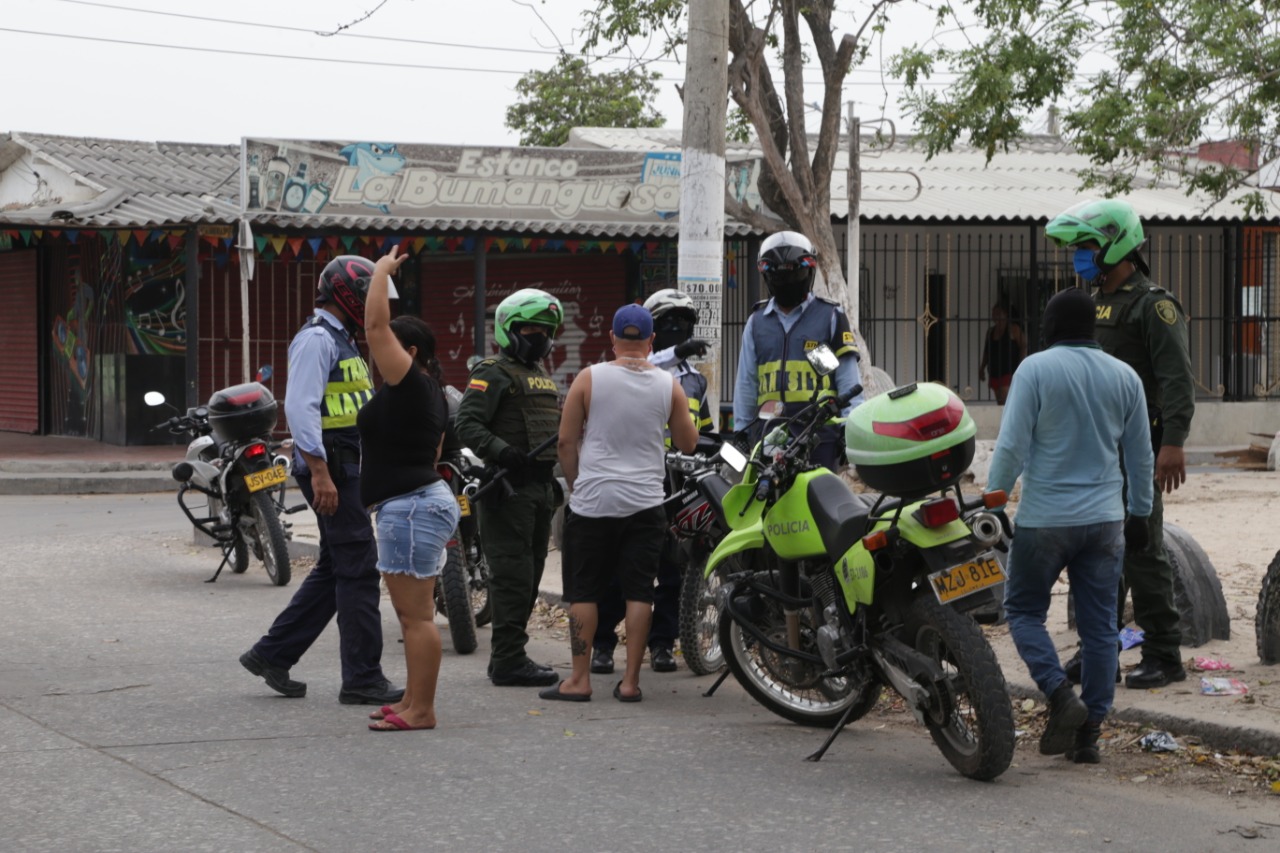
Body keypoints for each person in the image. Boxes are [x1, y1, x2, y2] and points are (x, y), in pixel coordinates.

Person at [989, 287, 1154, 764]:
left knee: (1021, 612)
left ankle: (1061, 695)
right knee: (1101, 628)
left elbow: (1012, 446)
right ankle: (1091, 735)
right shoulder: (1125, 377)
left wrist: (994, 504)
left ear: (1051, 327)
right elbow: (1139, 457)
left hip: (1045, 520)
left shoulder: (1035, 369)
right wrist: (1140, 513)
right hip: (1105, 521)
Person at [239, 254, 403, 707]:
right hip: (330, 467)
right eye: (370, 297)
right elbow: (301, 408)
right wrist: (319, 472)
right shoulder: (316, 340)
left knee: (337, 566)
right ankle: (362, 678)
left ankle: (273, 654)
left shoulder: (343, 340)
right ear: (348, 295)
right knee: (358, 568)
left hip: (345, 466)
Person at [1046, 199, 1195, 690]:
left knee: (1141, 548)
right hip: (1095, 450)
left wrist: (1172, 443)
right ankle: (1099, 651)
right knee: (1095, 554)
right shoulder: (1089, 303)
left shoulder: (1154, 305)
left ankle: (1164, 655)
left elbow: (1176, 380)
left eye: (1087, 247)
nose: (1080, 257)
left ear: (1117, 247)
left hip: (1141, 448)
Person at [540, 305, 699, 703]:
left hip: (593, 502)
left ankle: (578, 679)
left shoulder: (588, 378)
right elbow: (688, 443)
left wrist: (578, 485)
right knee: (639, 592)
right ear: (650, 342)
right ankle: (630, 683)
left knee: (584, 592)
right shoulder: (669, 385)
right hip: (646, 504)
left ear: (611, 339)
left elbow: (565, 442)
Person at [357, 247, 459, 732]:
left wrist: (379, 272)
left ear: (410, 351)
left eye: (391, 347)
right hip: (415, 504)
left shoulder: (413, 384)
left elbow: (376, 328)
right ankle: (413, 699)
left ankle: (423, 709)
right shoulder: (419, 392)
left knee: (417, 617)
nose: (378, 353)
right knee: (408, 612)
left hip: (414, 507)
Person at [590, 288, 714, 676]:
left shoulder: (695, 381)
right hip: (635, 481)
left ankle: (663, 645)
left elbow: (703, 434)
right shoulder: (640, 370)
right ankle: (604, 646)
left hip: (677, 487)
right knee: (614, 572)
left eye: (684, 322)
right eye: (668, 322)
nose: (678, 329)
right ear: (652, 333)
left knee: (672, 572)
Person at [455, 288, 564, 688]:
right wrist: (502, 451)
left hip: (539, 490)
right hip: (509, 490)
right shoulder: (492, 372)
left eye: (545, 329)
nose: (539, 335)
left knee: (531, 575)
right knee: (512, 576)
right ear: (509, 329)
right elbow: (466, 424)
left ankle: (511, 655)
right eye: (531, 327)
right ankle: (506, 660)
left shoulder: (540, 375)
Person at [733, 230, 864, 471]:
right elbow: (746, 383)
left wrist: (849, 428)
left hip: (819, 436)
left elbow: (848, 381)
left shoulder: (830, 317)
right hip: (772, 435)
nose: (787, 282)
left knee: (818, 503)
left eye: (795, 273)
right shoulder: (757, 322)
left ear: (808, 272)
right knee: (774, 504)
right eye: (779, 276)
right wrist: (741, 432)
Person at [977, 303, 1027, 405]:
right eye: (993, 313)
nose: (995, 316)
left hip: (1008, 370)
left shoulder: (1013, 329)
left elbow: (1024, 345)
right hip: (994, 371)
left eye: (998, 313)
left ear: (1006, 314)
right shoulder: (990, 331)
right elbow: (987, 351)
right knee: (1000, 402)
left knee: (1007, 402)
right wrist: (982, 367)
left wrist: (1022, 364)